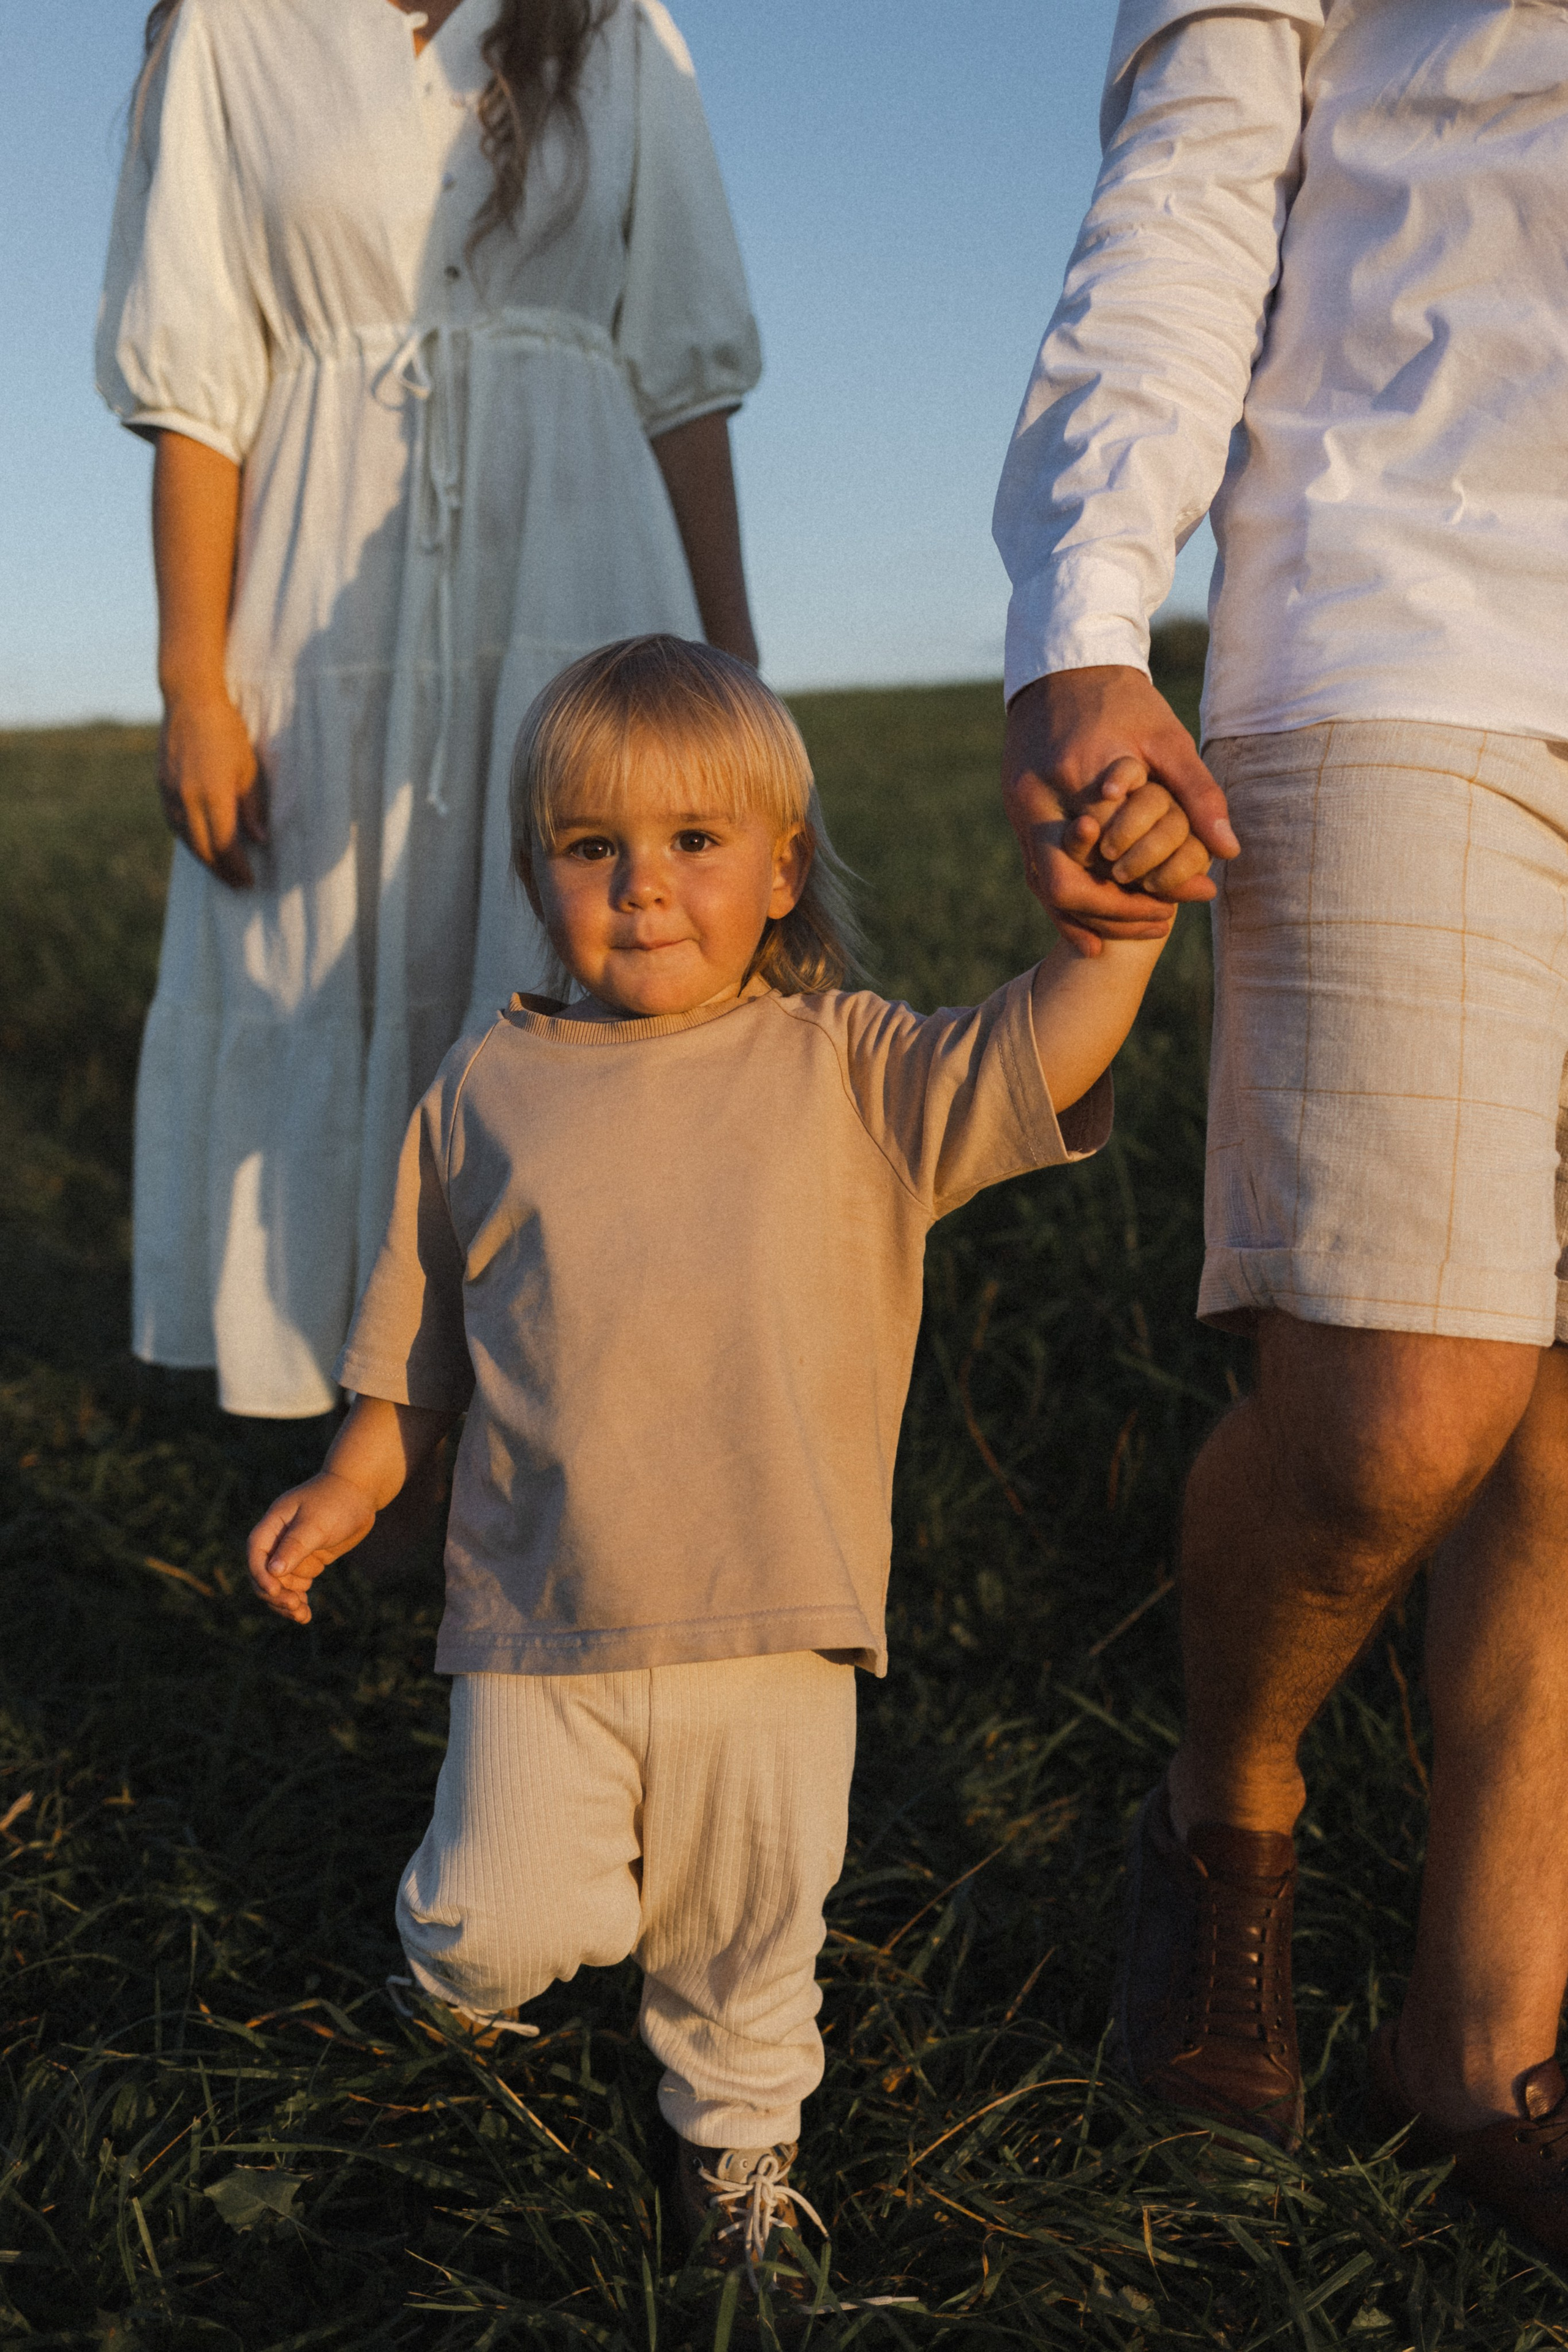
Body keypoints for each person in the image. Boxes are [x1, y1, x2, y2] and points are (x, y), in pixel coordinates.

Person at [244, 634, 1203, 2278]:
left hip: (776, 1615)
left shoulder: (848, 1067)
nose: (643, 886)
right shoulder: (487, 1090)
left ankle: (738, 2157)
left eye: (695, 843)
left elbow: (1037, 1053)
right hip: (542, 1614)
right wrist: (353, 1477)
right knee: (502, 1919)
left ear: (781, 870)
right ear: (538, 876)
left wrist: (1118, 937)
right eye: (591, 847)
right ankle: (453, 1991)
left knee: (750, 1930)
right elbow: (415, 1344)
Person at [992, 0, 1568, 2241]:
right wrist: (1084, 609)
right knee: (1399, 1405)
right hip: (1407, 598)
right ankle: (1229, 1794)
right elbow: (1195, 166)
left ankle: (1483, 2031)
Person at [96, 0, 763, 1420]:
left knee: (568, 970)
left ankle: (585, 1419)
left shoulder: (619, 24)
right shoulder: (234, 26)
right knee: (333, 963)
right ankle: (377, 1437)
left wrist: (738, 682)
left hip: (580, 554)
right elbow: (197, 387)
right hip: (318, 588)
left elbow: (684, 374)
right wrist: (190, 683)